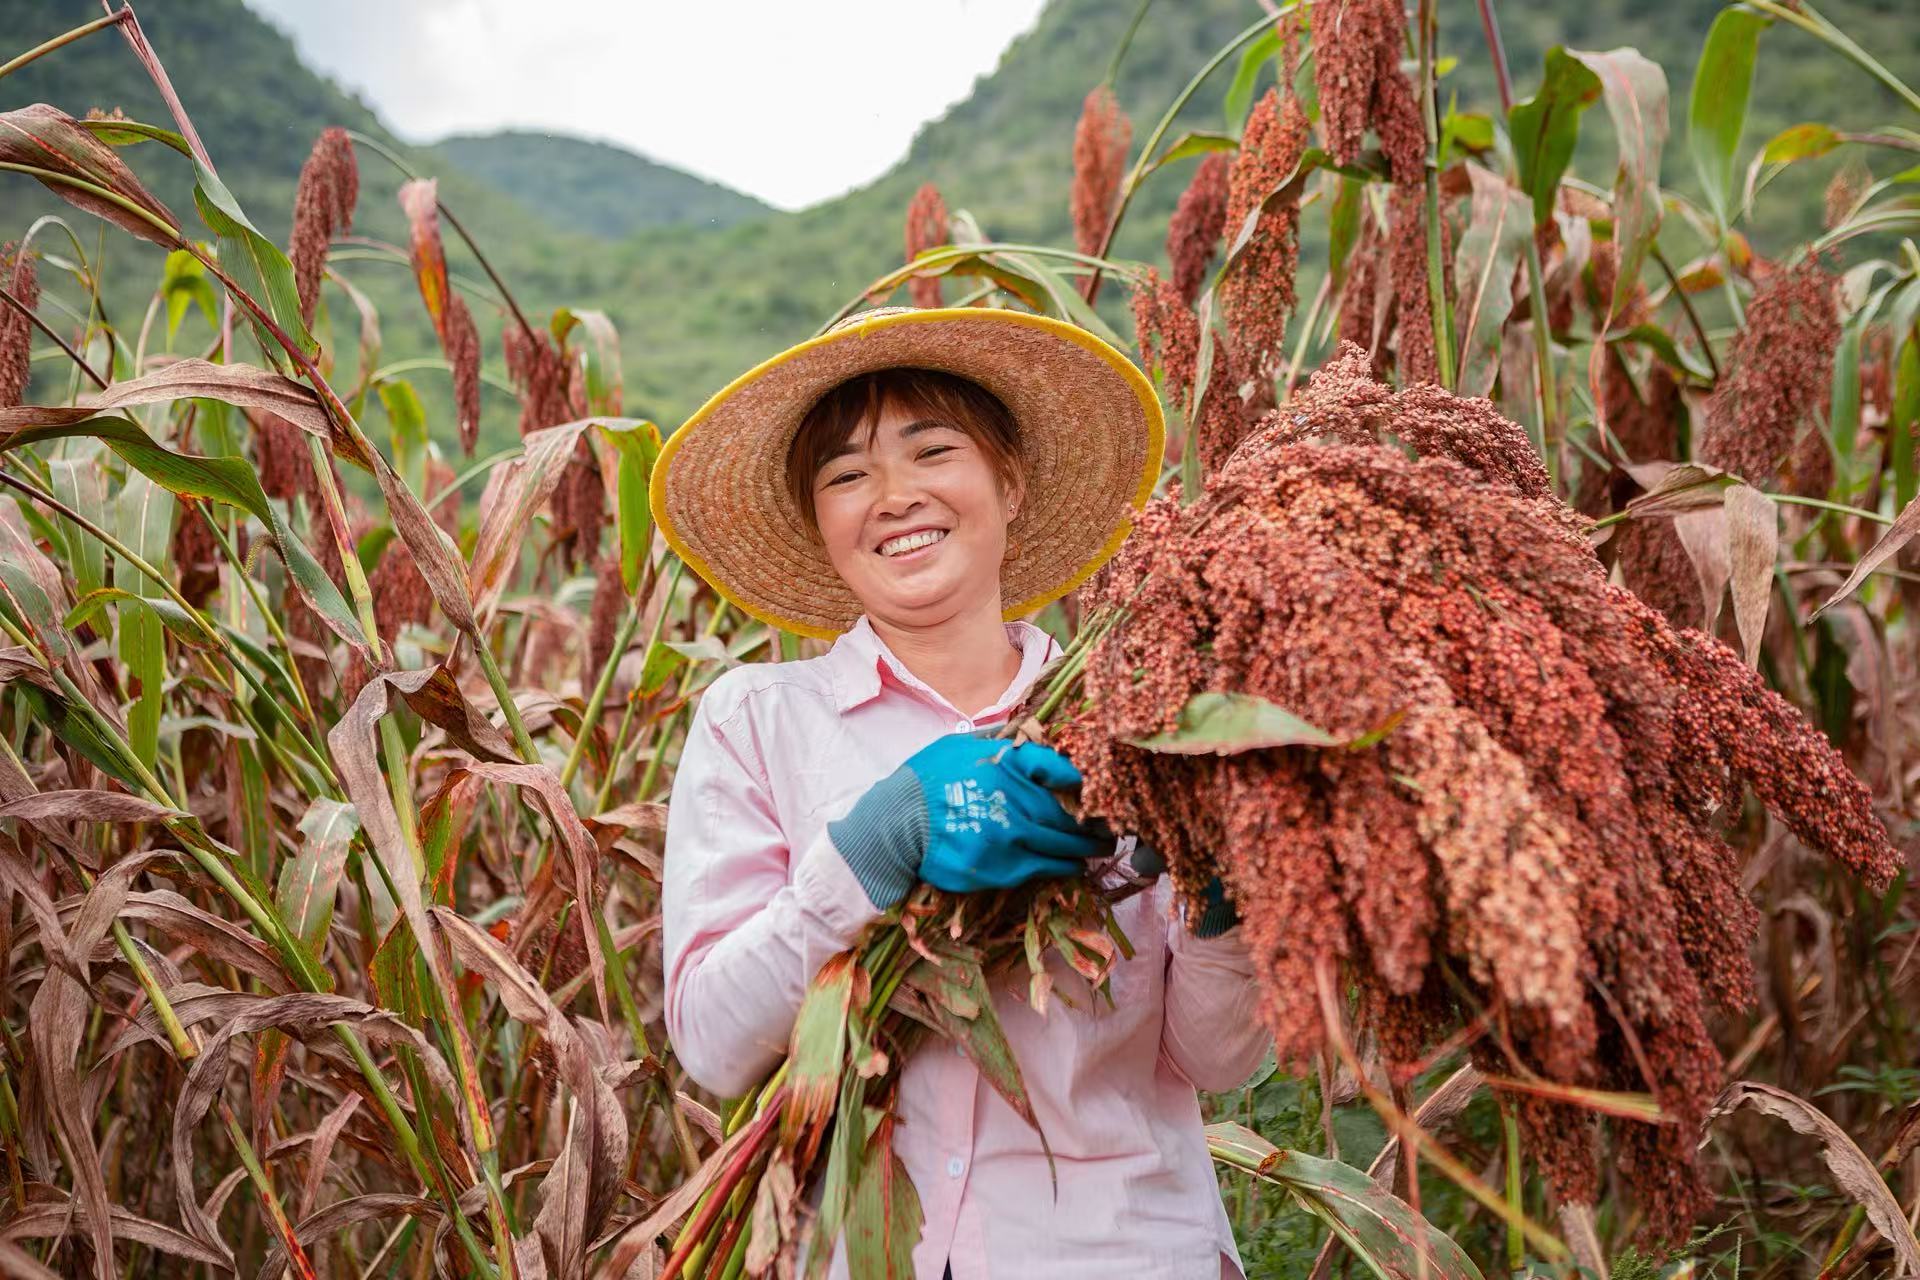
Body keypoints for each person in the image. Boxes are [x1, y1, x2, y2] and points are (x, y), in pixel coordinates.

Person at [651, 305, 1270, 1279]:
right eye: (846, 474)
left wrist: (1228, 899)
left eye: (931, 450)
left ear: (1010, 482)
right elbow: (714, 1043)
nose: (892, 495)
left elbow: (1220, 1060)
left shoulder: (1138, 719)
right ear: (821, 524)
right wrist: (875, 842)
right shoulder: (756, 722)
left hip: (1122, 1251)